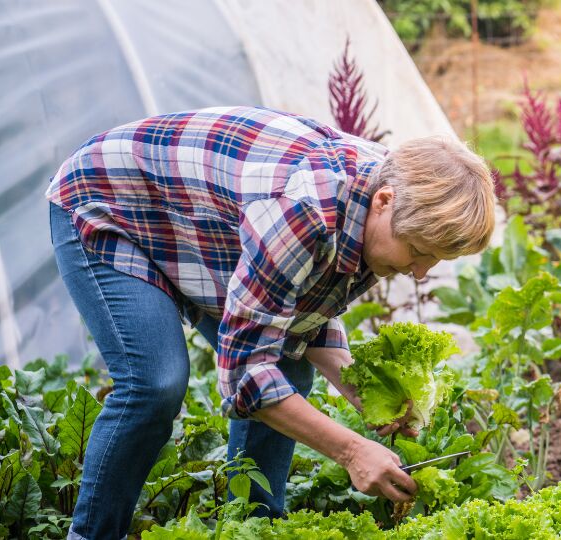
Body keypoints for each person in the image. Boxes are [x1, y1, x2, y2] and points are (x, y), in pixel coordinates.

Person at [47, 106, 496, 540]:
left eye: (433, 260)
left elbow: (301, 317)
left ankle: (254, 528)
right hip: (109, 205)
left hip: (201, 230)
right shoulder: (304, 210)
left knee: (286, 365)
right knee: (155, 383)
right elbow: (247, 374)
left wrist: (365, 392)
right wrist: (353, 451)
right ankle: (93, 535)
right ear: (383, 202)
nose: (419, 271)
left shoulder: (393, 197)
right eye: (417, 252)